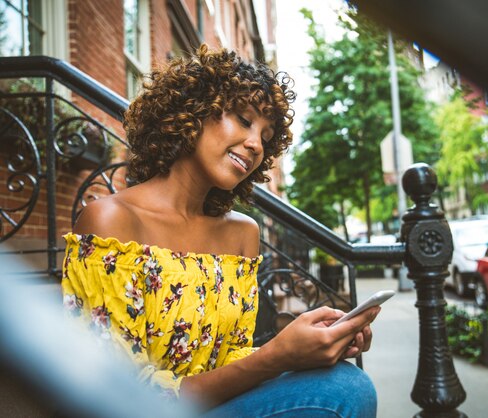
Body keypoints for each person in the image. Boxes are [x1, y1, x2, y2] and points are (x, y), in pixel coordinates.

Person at [61, 45, 379, 417]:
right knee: (343, 392)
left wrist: (304, 349)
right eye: (244, 120)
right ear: (192, 112)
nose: (256, 144)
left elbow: (236, 358)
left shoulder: (242, 234)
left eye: (266, 134)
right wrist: (277, 357)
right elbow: (112, 395)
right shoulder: (110, 222)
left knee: (346, 382)